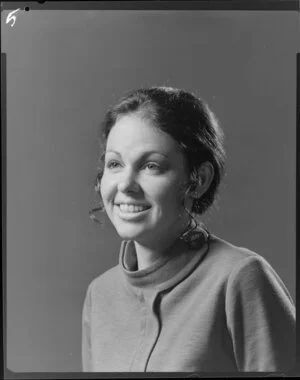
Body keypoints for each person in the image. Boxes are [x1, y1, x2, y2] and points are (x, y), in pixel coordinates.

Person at [82, 86, 295, 373]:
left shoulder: (241, 278)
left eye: (151, 165)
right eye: (115, 164)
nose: (125, 185)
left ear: (199, 180)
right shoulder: (99, 294)